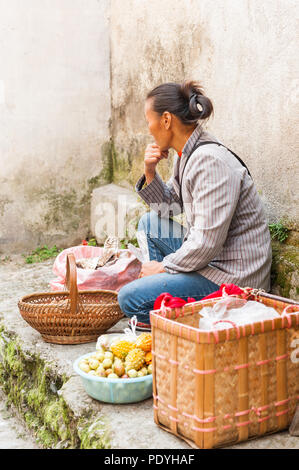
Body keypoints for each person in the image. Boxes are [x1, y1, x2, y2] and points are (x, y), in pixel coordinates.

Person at [117, 80, 272, 329]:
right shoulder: (187, 154)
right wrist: (149, 172)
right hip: (211, 260)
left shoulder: (210, 161)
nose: (149, 129)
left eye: (149, 121)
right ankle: (165, 299)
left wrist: (162, 267)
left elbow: (207, 243)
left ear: (166, 120)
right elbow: (168, 208)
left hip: (231, 278)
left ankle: (165, 315)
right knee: (150, 223)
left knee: (130, 299)